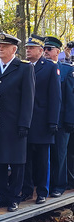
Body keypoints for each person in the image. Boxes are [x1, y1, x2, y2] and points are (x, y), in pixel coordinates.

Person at [0, 32, 35, 212]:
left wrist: (24, 124)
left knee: (16, 163)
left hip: (15, 124)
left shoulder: (23, 68)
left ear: (14, 49)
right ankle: (3, 194)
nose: (0, 49)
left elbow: (28, 99)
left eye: (4, 46)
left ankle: (14, 197)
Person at [21, 36, 61, 204]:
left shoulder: (50, 68)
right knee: (26, 159)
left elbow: (55, 96)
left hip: (43, 122)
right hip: (25, 122)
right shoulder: (23, 67)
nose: (28, 50)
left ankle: (42, 192)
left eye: (32, 48)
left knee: (43, 159)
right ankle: (27, 190)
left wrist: (53, 121)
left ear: (40, 50)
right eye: (27, 48)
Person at [43, 36, 74, 197]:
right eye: (44, 49)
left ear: (58, 51)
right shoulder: (37, 68)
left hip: (62, 121)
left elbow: (69, 97)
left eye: (49, 49)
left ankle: (59, 185)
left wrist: (69, 120)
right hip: (43, 120)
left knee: (59, 154)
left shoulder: (67, 70)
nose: (46, 52)